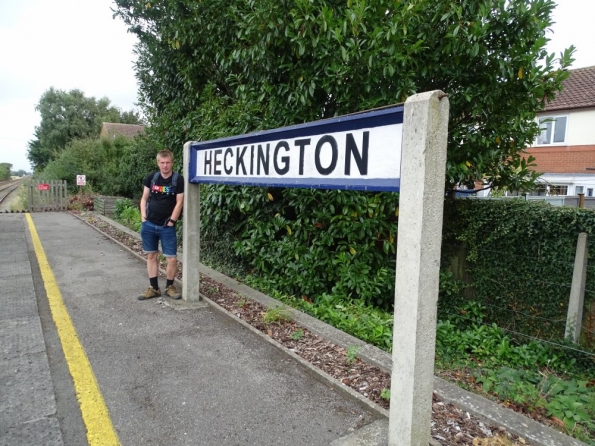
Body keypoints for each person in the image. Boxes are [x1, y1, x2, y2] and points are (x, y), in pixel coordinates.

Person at [138, 149, 184, 300]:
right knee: (151, 255)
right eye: (162, 163)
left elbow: (179, 203)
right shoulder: (152, 178)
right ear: (158, 163)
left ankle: (170, 286)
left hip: (167, 226)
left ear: (172, 163)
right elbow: (144, 199)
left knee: (171, 259)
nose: (165, 166)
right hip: (149, 224)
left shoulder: (178, 180)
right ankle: (154, 288)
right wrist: (143, 217)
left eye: (168, 163)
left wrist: (172, 221)